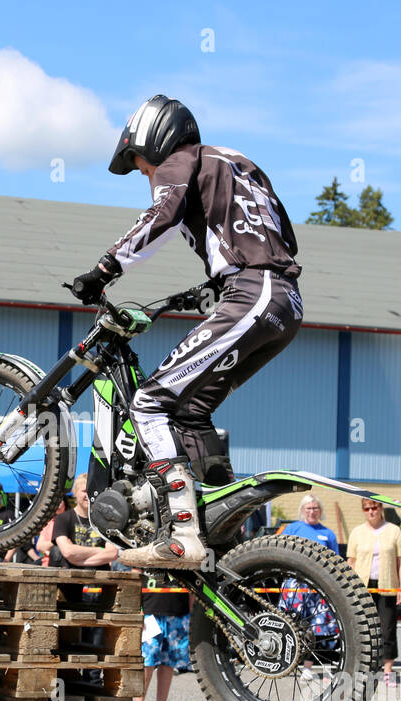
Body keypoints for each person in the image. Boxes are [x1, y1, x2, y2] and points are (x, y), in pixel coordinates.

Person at [70, 95, 303, 569]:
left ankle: (182, 535)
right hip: (284, 302)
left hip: (253, 292)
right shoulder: (242, 165)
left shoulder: (182, 159)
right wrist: (214, 284)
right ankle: (219, 522)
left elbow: (162, 216)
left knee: (149, 401)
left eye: (140, 166)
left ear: (156, 140)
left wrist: (104, 268)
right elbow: (280, 238)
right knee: (191, 411)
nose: (145, 177)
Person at [346, 498, 401, 684]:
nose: (371, 511)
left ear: (381, 508)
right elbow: (351, 562)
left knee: (387, 628)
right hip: (363, 586)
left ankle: (387, 670)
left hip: (387, 585)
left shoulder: (393, 531)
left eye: (374, 507)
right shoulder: (357, 532)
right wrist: (349, 587)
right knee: (363, 628)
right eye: (367, 509)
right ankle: (364, 669)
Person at [133, 569, 189, 701]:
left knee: (168, 661)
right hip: (150, 611)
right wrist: (137, 608)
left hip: (178, 612)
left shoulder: (186, 551)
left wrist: (191, 613)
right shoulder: (146, 548)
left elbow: (193, 585)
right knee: (146, 660)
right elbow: (135, 577)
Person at [49, 474, 120, 570]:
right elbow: (68, 551)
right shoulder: (63, 518)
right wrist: (100, 550)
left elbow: (112, 553)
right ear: (75, 492)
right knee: (56, 551)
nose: (88, 495)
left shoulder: (105, 520)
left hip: (98, 576)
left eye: (92, 492)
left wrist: (79, 560)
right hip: (69, 576)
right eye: (84, 491)